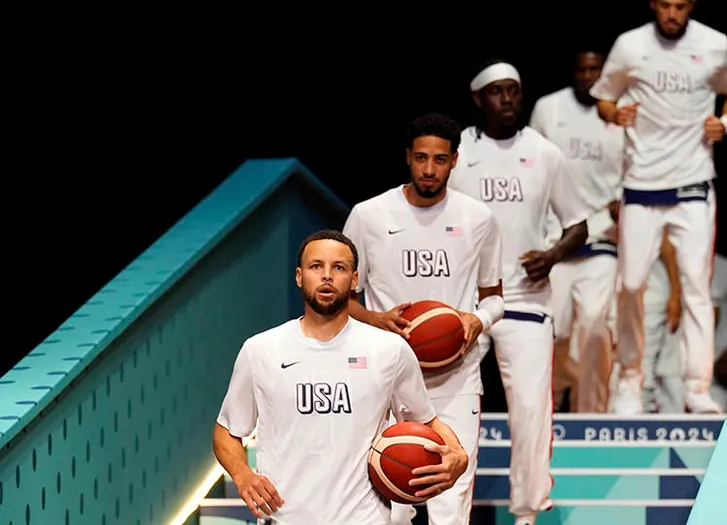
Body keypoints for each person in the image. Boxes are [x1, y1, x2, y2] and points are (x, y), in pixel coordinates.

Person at [213, 229, 469, 525]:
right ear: (299, 276)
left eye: (339, 267)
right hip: (285, 518)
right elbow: (227, 432)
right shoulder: (260, 350)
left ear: (354, 279)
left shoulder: (389, 350)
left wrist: (458, 456)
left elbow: (427, 421)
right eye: (316, 266)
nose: (327, 276)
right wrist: (243, 475)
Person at [342, 113, 504, 525]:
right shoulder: (368, 215)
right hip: (386, 371)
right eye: (420, 158)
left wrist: (476, 321)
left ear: (455, 160)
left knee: (451, 499)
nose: (429, 170)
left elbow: (496, 299)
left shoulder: (479, 218)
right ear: (407, 158)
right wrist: (376, 320)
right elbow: (343, 298)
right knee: (391, 500)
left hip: (456, 374)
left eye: (439, 160)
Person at [448, 60, 590, 525]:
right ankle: (448, 512)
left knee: (530, 410)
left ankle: (527, 512)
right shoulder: (457, 152)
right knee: (454, 411)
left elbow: (578, 226)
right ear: (478, 98)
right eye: (497, 91)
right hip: (465, 303)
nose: (507, 99)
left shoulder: (545, 153)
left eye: (514, 90)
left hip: (526, 299)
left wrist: (551, 255)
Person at [589, 0, 727, 413]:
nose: (672, 14)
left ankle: (696, 388)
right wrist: (617, 113)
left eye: (680, 6)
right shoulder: (630, 46)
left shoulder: (715, 44)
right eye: (665, 6)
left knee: (697, 290)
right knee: (630, 286)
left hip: (693, 184)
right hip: (642, 185)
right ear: (653, 5)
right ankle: (630, 380)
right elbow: (603, 99)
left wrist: (724, 122)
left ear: (692, 7)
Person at [529, 45, 624, 413]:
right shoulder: (549, 108)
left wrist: (623, 203)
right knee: (550, 334)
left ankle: (591, 415)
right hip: (555, 241)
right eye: (582, 70)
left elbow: (636, 170)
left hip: (601, 238)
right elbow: (532, 168)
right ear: (573, 72)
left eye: (596, 71)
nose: (589, 77)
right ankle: (545, 412)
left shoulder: (621, 115)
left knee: (596, 331)